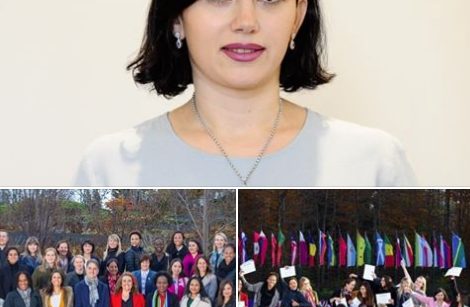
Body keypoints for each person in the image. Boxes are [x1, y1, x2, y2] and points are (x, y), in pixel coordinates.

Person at [75, 0, 415, 187]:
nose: (246, 20)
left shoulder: (375, 160)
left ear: (297, 15)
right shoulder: (109, 165)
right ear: (177, 17)